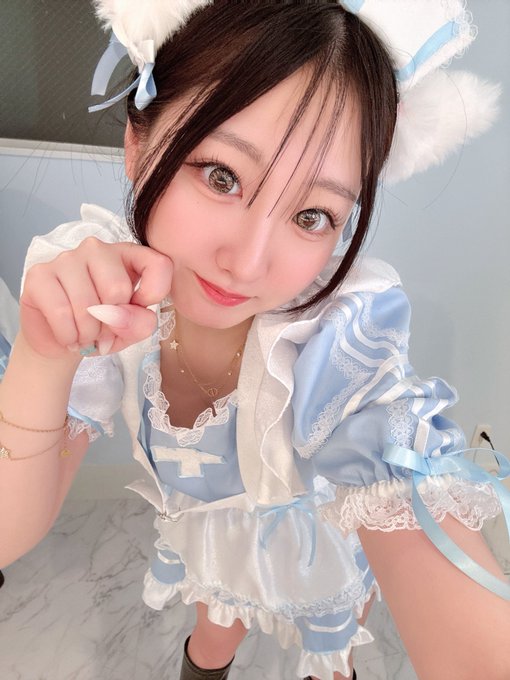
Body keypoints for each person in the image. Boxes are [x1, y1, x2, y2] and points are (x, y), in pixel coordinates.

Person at [0, 2, 509, 679]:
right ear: (137, 142)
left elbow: (392, 456)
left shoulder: (336, 342)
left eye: (312, 215)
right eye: (222, 176)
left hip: (322, 541)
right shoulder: (105, 289)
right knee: (212, 643)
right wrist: (44, 355)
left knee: (332, 657)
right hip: (215, 538)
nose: (246, 262)